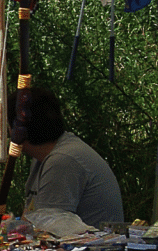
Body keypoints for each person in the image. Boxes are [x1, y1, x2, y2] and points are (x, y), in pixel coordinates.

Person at [7, 86, 123, 229]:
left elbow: (46, 230)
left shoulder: (62, 161)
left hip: (88, 250)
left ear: (20, 130)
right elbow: (29, 219)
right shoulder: (42, 158)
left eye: (8, 126)